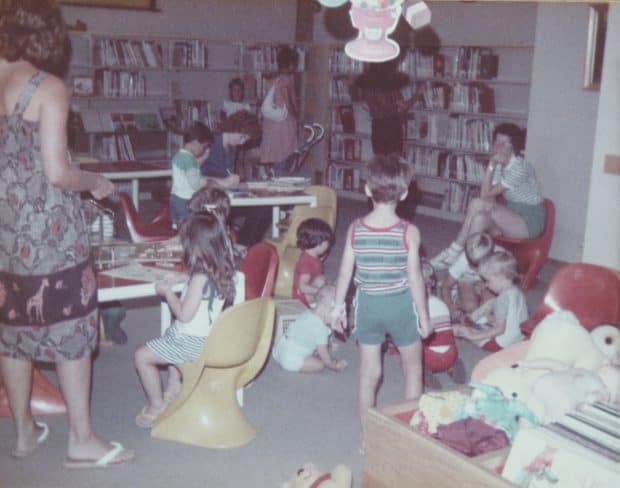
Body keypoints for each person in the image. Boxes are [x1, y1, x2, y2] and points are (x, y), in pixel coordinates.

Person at [0, 0, 134, 467]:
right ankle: (81, 439)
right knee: (73, 329)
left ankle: (23, 433)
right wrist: (94, 182)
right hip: (49, 235)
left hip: (6, 233)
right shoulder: (47, 88)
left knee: (12, 333)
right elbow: (57, 172)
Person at [332, 154, 431, 446]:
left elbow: (343, 273)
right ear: (403, 193)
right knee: (413, 368)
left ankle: (367, 436)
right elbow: (415, 278)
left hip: (368, 306)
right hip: (400, 305)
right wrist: (424, 316)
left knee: (368, 374)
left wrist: (338, 307)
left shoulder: (355, 228)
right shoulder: (409, 232)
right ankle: (411, 435)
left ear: (366, 189)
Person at [134, 210, 238, 428]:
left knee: (141, 357)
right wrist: (182, 278)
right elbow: (200, 288)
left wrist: (167, 293)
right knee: (171, 334)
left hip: (192, 344)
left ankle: (156, 405)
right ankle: (174, 386)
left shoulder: (200, 278)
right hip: (207, 338)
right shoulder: (219, 269)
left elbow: (183, 314)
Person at [430, 123, 545, 270]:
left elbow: (484, 195)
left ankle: (453, 251)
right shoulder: (499, 164)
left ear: (514, 146)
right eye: (497, 142)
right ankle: (466, 266)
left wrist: (491, 162)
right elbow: (486, 195)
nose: (499, 147)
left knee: (478, 203)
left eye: (505, 143)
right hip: (510, 216)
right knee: (479, 218)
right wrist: (493, 165)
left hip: (529, 221)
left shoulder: (520, 168)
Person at [200, 110, 269, 246]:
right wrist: (223, 182)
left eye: (246, 139)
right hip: (207, 194)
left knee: (265, 206)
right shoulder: (210, 144)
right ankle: (244, 244)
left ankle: (246, 245)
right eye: (242, 137)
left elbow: (227, 176)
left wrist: (235, 182)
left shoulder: (232, 147)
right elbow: (194, 176)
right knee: (259, 208)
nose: (243, 142)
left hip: (225, 193)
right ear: (235, 128)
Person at [453, 251, 527, 352]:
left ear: (500, 277)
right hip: (519, 338)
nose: (486, 285)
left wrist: (474, 336)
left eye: (488, 280)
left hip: (499, 344)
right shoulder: (516, 291)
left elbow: (500, 330)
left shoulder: (502, 300)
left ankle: (444, 330)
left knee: (461, 329)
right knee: (492, 304)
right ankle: (472, 319)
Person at [272, 284, 347, 374]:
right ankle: (299, 365)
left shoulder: (307, 312)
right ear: (326, 309)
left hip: (280, 349)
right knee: (320, 365)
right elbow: (323, 353)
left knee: (312, 345)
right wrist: (333, 365)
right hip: (290, 360)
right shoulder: (321, 328)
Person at [258, 45, 299, 179]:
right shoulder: (289, 80)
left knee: (273, 157)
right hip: (285, 124)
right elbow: (289, 102)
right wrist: (297, 116)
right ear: (291, 64)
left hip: (271, 124)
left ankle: (271, 182)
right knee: (285, 158)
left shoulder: (271, 79)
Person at [439, 232, 499, 323]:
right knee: (470, 307)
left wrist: (488, 285)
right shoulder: (461, 262)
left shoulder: (498, 258)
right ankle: (457, 296)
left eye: (477, 266)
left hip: (487, 282)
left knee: (490, 305)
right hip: (466, 280)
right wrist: (449, 306)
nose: (474, 269)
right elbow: (445, 286)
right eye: (471, 264)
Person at [169, 122, 213, 225]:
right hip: (187, 200)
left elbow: (190, 169)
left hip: (175, 198)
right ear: (196, 142)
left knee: (179, 227)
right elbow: (195, 185)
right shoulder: (190, 160)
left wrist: (203, 159)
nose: (204, 150)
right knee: (190, 228)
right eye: (204, 147)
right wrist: (207, 181)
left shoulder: (179, 155)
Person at [292, 218, 334, 307]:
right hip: (302, 299)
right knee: (322, 282)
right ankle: (314, 306)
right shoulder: (306, 263)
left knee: (322, 280)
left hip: (309, 288)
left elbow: (317, 265)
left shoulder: (312, 255)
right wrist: (320, 291)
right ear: (318, 242)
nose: (329, 244)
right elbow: (302, 287)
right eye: (327, 242)